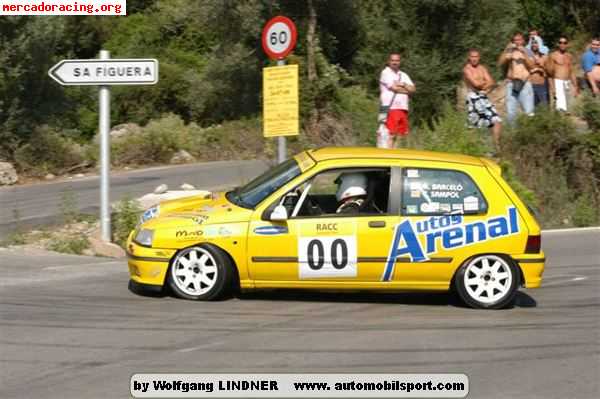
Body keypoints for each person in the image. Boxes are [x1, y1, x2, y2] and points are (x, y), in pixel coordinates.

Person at [462, 49, 502, 148]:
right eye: (472, 57)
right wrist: (485, 83)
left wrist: (482, 84)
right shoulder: (467, 69)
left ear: (479, 58)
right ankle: (471, 148)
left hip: (483, 97)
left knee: (496, 120)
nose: (474, 59)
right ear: (469, 58)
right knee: (473, 125)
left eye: (476, 57)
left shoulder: (482, 68)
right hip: (473, 97)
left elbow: (492, 81)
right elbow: (475, 84)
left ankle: (496, 146)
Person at [377, 53, 416, 149]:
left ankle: (395, 158)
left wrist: (402, 84)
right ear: (389, 61)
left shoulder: (403, 75)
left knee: (400, 135)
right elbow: (395, 88)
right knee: (389, 134)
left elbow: (413, 89)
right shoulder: (385, 72)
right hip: (389, 107)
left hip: (402, 107)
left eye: (397, 60)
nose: (395, 62)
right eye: (393, 60)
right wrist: (407, 91)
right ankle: (388, 158)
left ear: (400, 62)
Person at [498, 32, 535, 123]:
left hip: (525, 83)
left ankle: (529, 132)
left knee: (529, 111)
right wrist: (506, 50)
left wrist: (524, 54)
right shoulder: (509, 51)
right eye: (515, 40)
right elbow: (499, 63)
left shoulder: (528, 51)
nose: (517, 42)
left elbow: (532, 66)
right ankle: (512, 133)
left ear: (523, 41)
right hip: (511, 83)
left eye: (519, 40)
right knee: (511, 112)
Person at [547, 37, 579, 112]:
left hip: (568, 83)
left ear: (567, 44)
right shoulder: (553, 55)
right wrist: (553, 88)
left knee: (569, 108)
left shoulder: (569, 56)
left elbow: (572, 71)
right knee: (560, 108)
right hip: (558, 82)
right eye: (560, 42)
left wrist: (576, 86)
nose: (562, 44)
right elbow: (549, 73)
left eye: (564, 43)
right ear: (558, 44)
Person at [529, 40, 549, 107]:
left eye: (536, 43)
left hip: (542, 85)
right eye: (532, 43)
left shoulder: (544, 57)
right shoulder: (527, 57)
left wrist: (540, 69)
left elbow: (548, 72)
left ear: (539, 44)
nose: (534, 45)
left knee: (544, 106)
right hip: (530, 85)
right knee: (532, 108)